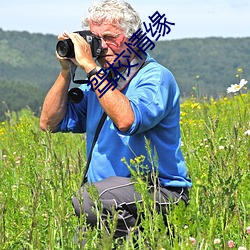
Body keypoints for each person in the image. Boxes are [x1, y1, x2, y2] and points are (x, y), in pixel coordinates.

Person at [40, 0, 192, 244]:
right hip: (110, 199)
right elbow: (49, 123)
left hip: (160, 192)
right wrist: (66, 70)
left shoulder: (154, 77)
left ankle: (146, 241)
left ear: (133, 39)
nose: (101, 47)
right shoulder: (98, 84)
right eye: (95, 38)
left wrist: (90, 66)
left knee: (88, 200)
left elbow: (127, 120)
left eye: (110, 37)